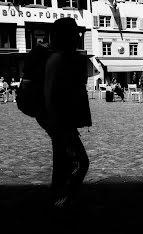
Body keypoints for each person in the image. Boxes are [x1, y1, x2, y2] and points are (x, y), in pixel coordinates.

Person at [35, 18, 91, 208]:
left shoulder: (65, 59)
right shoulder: (58, 60)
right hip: (62, 125)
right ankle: (63, 202)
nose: (78, 36)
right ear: (66, 36)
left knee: (62, 165)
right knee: (80, 162)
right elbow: (52, 96)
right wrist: (59, 127)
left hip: (63, 124)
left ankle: (60, 203)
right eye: (75, 33)